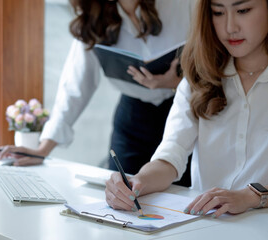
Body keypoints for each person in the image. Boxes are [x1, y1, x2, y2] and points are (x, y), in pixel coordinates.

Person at [0, 0, 194, 186]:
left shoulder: (181, 4)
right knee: (121, 197)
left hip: (184, 113)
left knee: (183, 201)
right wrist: (42, 149)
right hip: (133, 119)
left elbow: (209, 59)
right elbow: (75, 85)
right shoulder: (95, 15)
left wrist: (177, 82)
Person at [105, 0, 268, 217]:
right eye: (218, 12)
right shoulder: (199, 77)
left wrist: (251, 196)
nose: (230, 27)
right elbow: (172, 154)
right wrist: (136, 183)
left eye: (243, 10)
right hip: (206, 226)